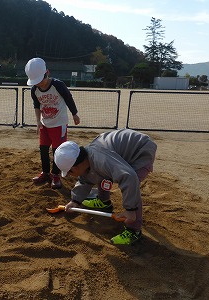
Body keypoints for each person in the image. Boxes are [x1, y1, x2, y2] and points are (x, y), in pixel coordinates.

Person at [54, 129, 157, 245]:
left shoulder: (100, 160)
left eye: (69, 172)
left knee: (132, 185)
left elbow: (129, 177)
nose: (69, 175)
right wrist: (76, 200)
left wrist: (130, 210)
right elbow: (85, 179)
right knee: (101, 172)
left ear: (76, 166)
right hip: (119, 153)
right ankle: (104, 201)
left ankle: (134, 230)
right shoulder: (88, 159)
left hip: (140, 151)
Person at [25, 57, 80, 189]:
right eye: (36, 82)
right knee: (43, 149)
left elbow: (68, 98)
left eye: (40, 80)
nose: (39, 84)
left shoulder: (58, 85)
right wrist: (38, 121)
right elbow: (37, 105)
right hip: (45, 123)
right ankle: (45, 172)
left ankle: (55, 175)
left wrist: (74, 113)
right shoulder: (34, 90)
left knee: (58, 151)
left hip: (59, 123)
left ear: (47, 72)